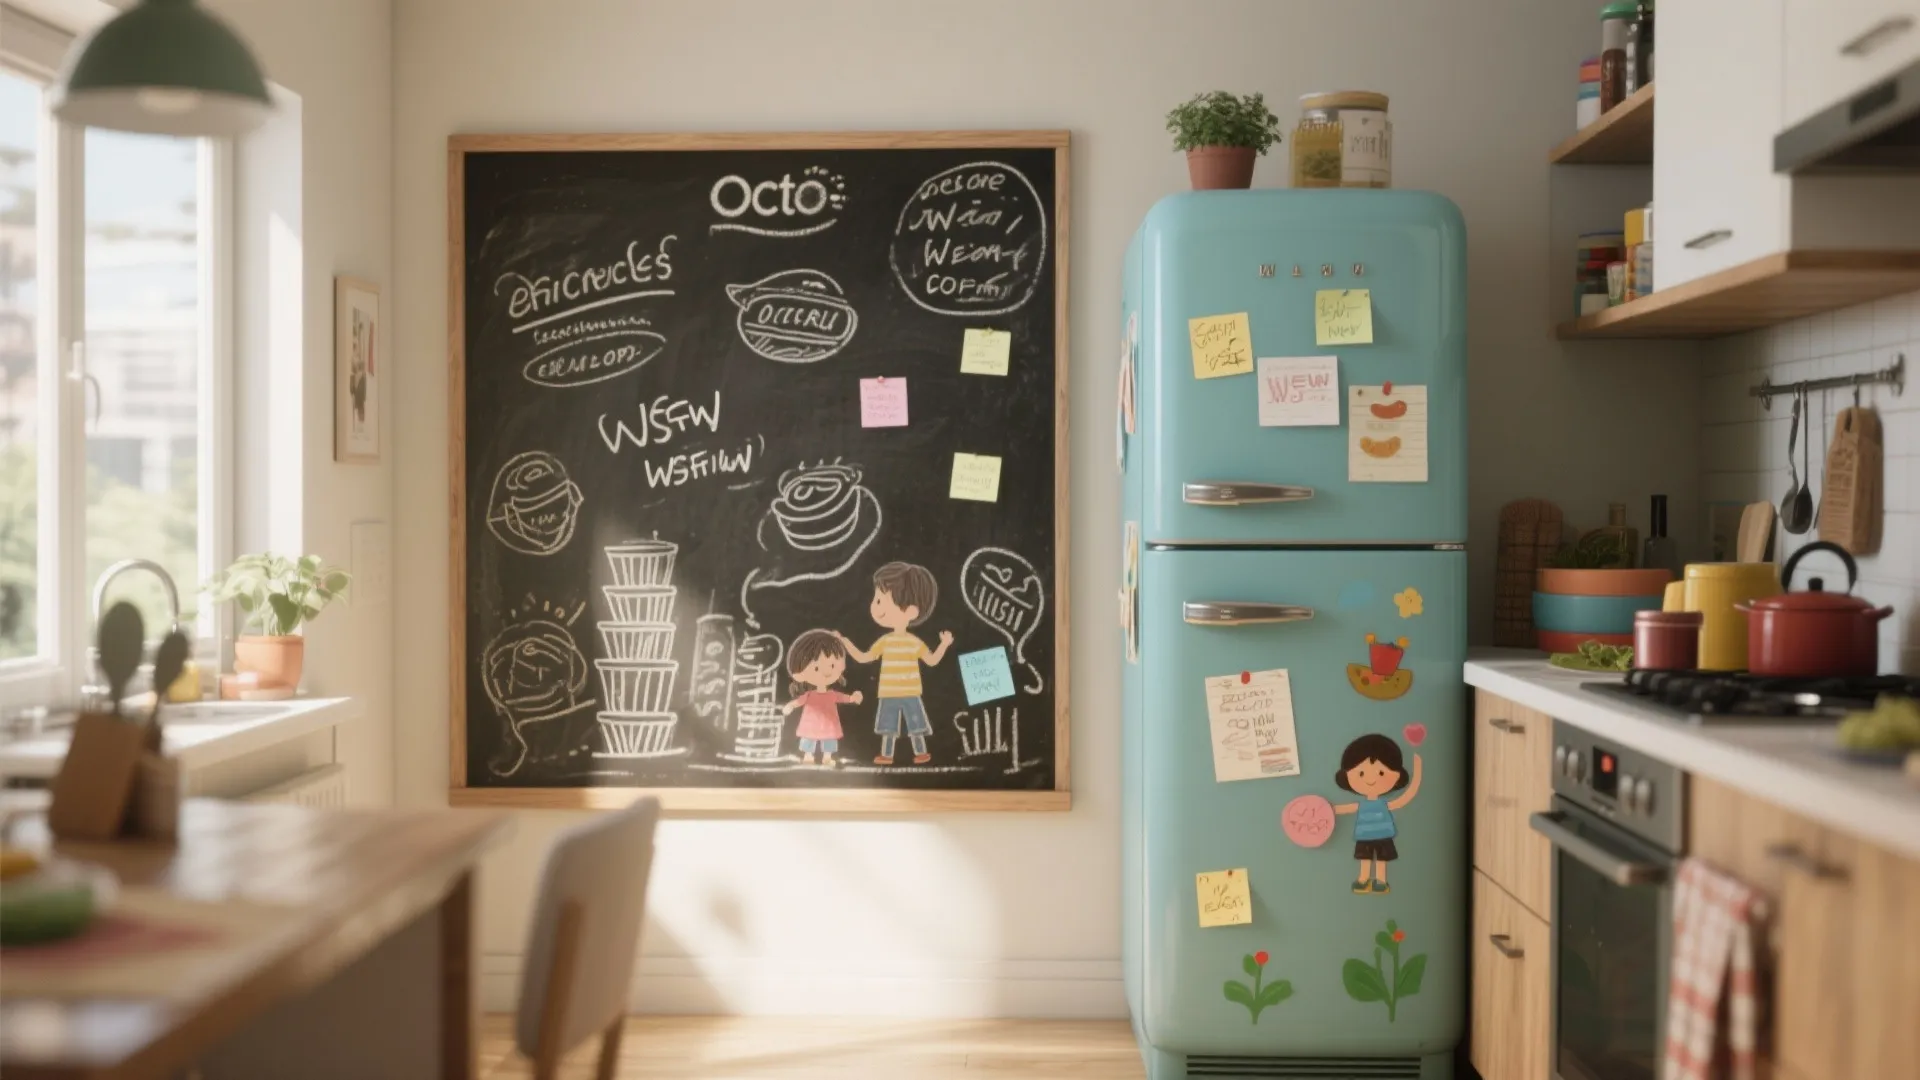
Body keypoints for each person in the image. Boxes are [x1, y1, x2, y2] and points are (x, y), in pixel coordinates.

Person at [836, 562, 952, 765]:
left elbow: (932, 661)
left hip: (910, 692)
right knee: (887, 727)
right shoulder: (885, 641)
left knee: (916, 725)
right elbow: (864, 657)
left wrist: (944, 644)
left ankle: (921, 752)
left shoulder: (913, 642)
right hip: (888, 693)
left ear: (910, 612)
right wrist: (845, 643)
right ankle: (887, 755)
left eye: (881, 600)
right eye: (876, 599)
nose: (875, 606)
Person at [1331, 733, 1423, 895]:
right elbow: (1343, 808)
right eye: (1361, 773)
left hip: (1383, 836)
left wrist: (1417, 776)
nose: (1370, 779)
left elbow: (1405, 798)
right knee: (1365, 858)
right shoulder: (1361, 805)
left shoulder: (1384, 805)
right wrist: (1323, 810)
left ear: (1397, 775)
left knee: (1382, 859)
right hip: (1364, 836)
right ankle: (1363, 879)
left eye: (1381, 773)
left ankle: (1381, 881)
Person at [782, 629, 861, 767]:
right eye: (816, 668)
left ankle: (827, 757)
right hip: (811, 724)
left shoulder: (832, 694)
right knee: (809, 739)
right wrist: (790, 706)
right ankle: (808, 756)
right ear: (799, 673)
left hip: (828, 724)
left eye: (832, 665)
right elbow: (798, 702)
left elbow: (843, 698)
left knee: (829, 740)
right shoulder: (809, 695)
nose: (826, 672)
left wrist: (852, 698)